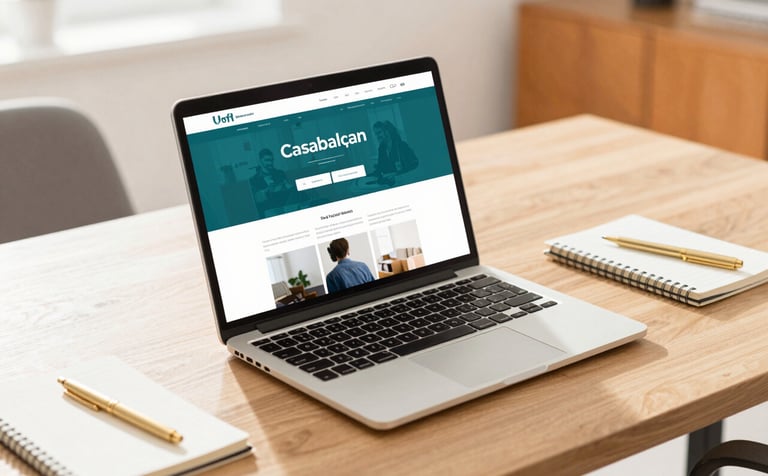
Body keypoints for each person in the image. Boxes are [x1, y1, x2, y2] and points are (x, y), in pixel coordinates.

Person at [372, 120, 418, 185]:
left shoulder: (402, 146)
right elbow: (380, 167)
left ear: (387, 132)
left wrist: (396, 174)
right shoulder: (381, 148)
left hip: (404, 183)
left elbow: (414, 164)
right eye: (376, 134)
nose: (377, 136)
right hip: (389, 184)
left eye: (379, 132)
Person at [249, 148, 291, 215]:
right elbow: (258, 200)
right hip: (268, 211)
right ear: (260, 161)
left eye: (272, 160)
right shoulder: (254, 180)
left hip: (285, 207)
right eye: (267, 160)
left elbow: (289, 189)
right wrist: (269, 189)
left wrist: (286, 186)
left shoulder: (280, 173)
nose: (270, 163)